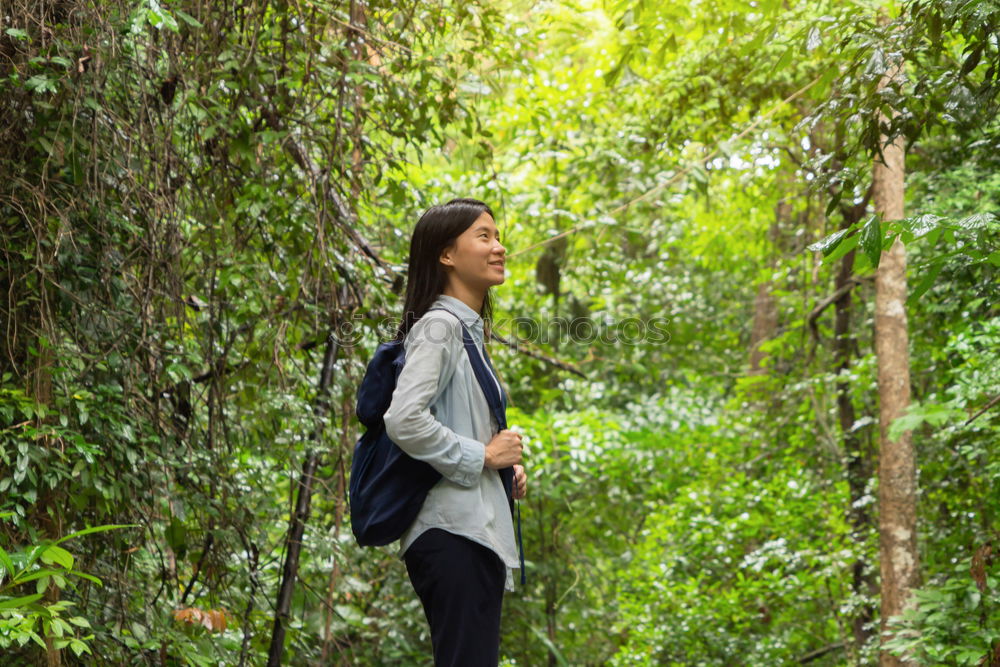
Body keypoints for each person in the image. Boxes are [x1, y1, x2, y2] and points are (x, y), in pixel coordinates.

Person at [383, 197, 527, 666]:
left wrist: (502, 472)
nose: (498, 247)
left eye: (498, 236)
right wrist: (482, 458)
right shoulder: (440, 327)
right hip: (453, 532)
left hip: (472, 529)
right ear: (447, 255)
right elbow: (404, 419)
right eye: (483, 237)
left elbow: (450, 424)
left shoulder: (465, 333)